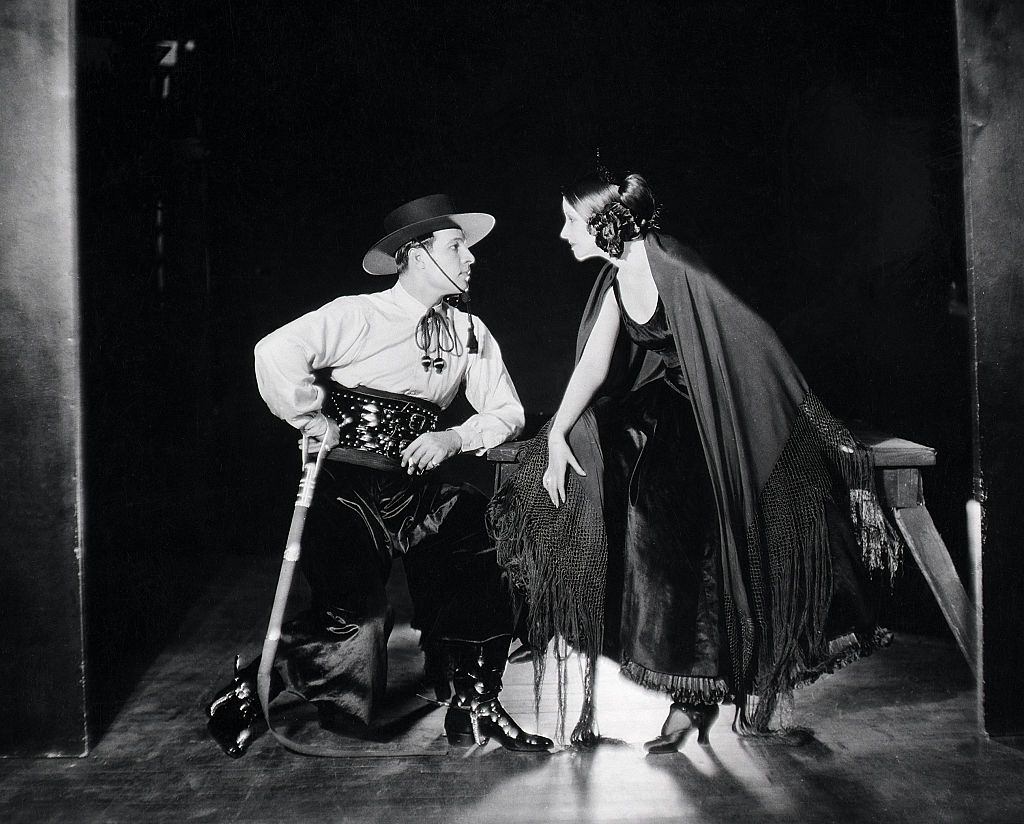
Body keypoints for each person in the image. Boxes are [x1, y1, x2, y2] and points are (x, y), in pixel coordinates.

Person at [488, 169, 897, 751]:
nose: (561, 234)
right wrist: (555, 435)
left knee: (670, 522)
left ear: (606, 224)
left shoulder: (674, 267)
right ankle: (678, 683)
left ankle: (711, 693)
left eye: (570, 221)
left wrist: (818, 425)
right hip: (664, 406)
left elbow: (751, 339)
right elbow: (595, 366)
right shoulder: (615, 277)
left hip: (711, 411)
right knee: (589, 451)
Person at [206, 194, 552, 757]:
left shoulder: (468, 330)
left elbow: (507, 411)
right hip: (348, 491)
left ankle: (475, 703)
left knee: (472, 533)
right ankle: (253, 686)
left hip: (416, 493)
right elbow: (274, 352)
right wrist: (312, 418)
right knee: (356, 630)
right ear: (416, 256)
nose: (470, 259)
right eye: (456, 247)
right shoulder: (357, 314)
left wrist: (454, 437)